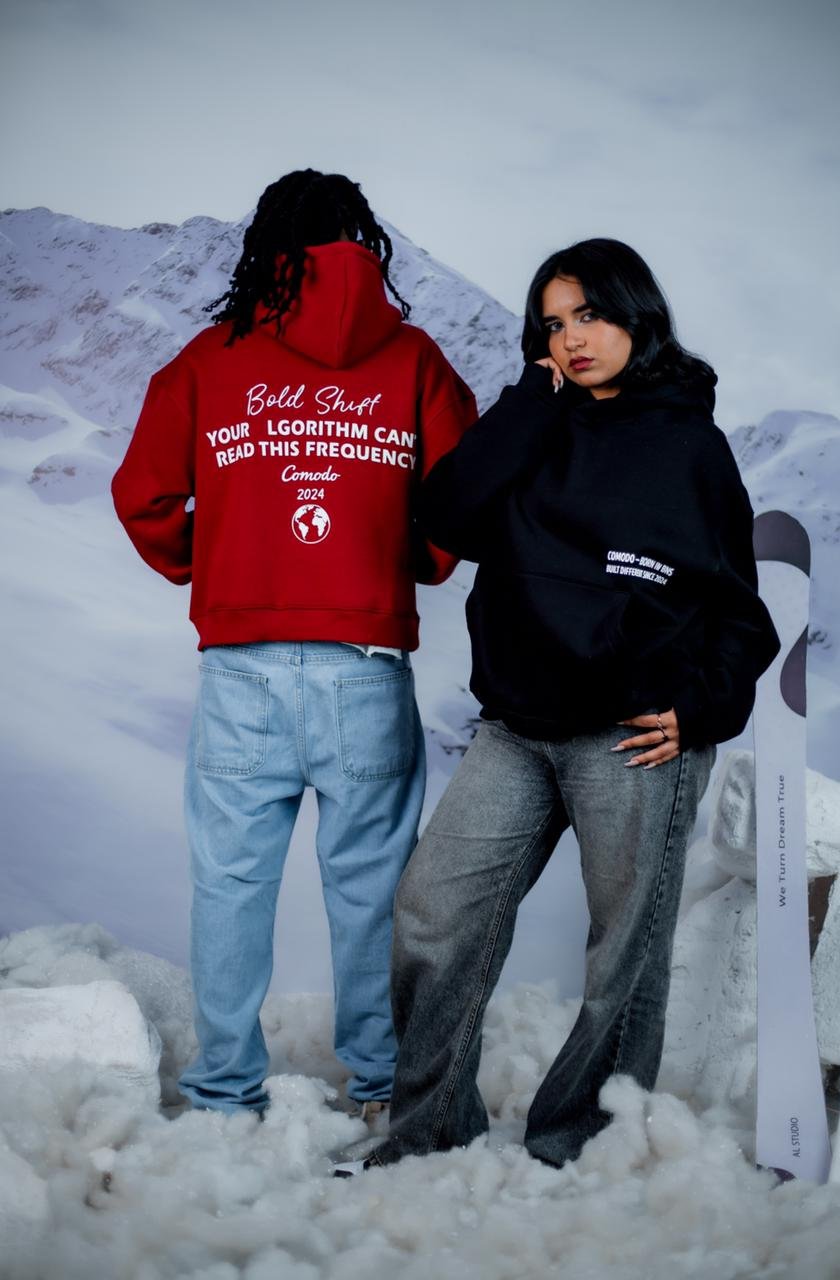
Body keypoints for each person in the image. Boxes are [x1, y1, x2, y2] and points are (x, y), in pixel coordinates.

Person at [337, 237, 779, 1173]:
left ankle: (574, 1147)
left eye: (589, 314)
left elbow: (743, 617)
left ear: (635, 315)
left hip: (631, 737)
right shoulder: (535, 423)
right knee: (431, 913)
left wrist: (698, 709)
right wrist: (527, 404)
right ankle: (429, 1134)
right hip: (515, 728)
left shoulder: (690, 449)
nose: (572, 338)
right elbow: (445, 517)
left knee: (624, 954)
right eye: (552, 324)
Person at [112, 169, 477, 1118]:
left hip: (245, 666)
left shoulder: (210, 357)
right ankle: (384, 1089)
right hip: (366, 669)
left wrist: (220, 561)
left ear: (266, 247)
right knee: (373, 891)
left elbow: (142, 495)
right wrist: (407, 561)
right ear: (363, 243)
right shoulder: (415, 359)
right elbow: (465, 497)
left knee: (231, 885)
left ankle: (226, 1094)